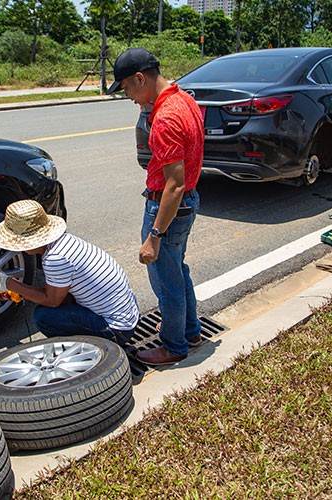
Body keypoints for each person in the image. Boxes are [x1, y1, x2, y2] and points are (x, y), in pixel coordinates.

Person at [108, 48, 204, 365]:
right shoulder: (185, 99)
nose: (130, 98)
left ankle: (174, 345)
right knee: (178, 271)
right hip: (189, 199)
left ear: (140, 78)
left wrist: (154, 235)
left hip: (169, 205)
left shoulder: (165, 118)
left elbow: (173, 185)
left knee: (166, 282)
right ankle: (191, 331)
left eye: (127, 89)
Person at [0, 199, 139, 345]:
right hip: (128, 315)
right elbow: (55, 291)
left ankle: (94, 350)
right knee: (52, 306)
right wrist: (20, 291)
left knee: (44, 317)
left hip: (116, 329)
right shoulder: (64, 241)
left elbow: (52, 301)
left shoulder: (55, 258)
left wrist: (10, 284)